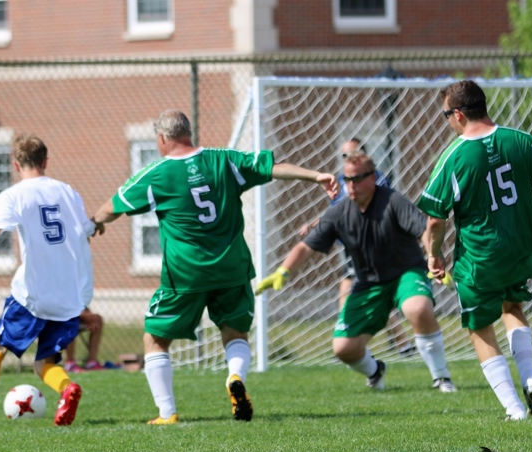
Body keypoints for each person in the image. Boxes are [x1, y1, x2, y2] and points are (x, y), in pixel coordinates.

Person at [91, 109, 339, 425]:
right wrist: (316, 175)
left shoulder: (156, 173)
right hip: (231, 268)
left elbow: (112, 207)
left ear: (163, 139)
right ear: (188, 133)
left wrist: (94, 223)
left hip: (186, 274)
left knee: (155, 339)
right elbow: (273, 168)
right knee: (235, 332)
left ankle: (167, 414)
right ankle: (235, 377)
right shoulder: (225, 159)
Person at [417, 80, 532, 420]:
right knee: (512, 305)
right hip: (522, 250)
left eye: (446, 114)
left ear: (459, 114)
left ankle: (513, 408)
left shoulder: (454, 156)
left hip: (480, 257)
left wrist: (434, 254)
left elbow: (435, 221)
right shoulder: (521, 140)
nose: (447, 121)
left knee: (479, 327)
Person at [257, 151, 457, 393]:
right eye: (346, 179)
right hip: (368, 284)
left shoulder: (393, 201)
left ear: (372, 178)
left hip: (406, 273)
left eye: (357, 179)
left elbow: (423, 229)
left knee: (418, 308)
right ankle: (375, 371)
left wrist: (433, 257)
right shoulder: (338, 212)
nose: (351, 185)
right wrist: (283, 272)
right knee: (343, 348)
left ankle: (441, 378)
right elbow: (306, 247)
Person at [0, 133, 95, 427]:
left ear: (16, 165)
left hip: (31, 294)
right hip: (67, 295)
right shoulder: (68, 191)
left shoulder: (13, 195)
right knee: (45, 362)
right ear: (45, 161)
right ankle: (67, 388)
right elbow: (86, 230)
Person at [300, 138, 416, 357]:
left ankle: (358, 341)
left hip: (369, 245)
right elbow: (337, 213)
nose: (347, 159)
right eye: (343, 155)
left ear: (364, 154)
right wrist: (314, 225)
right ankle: (399, 344)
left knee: (352, 292)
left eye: (352, 153)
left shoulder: (374, 180)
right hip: (351, 246)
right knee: (349, 291)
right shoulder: (345, 181)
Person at [65, 308, 108, 372]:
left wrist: (89, 316)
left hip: (78, 315)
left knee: (97, 319)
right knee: (70, 320)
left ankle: (91, 362)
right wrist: (83, 315)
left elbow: (84, 305)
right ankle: (70, 363)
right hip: (62, 317)